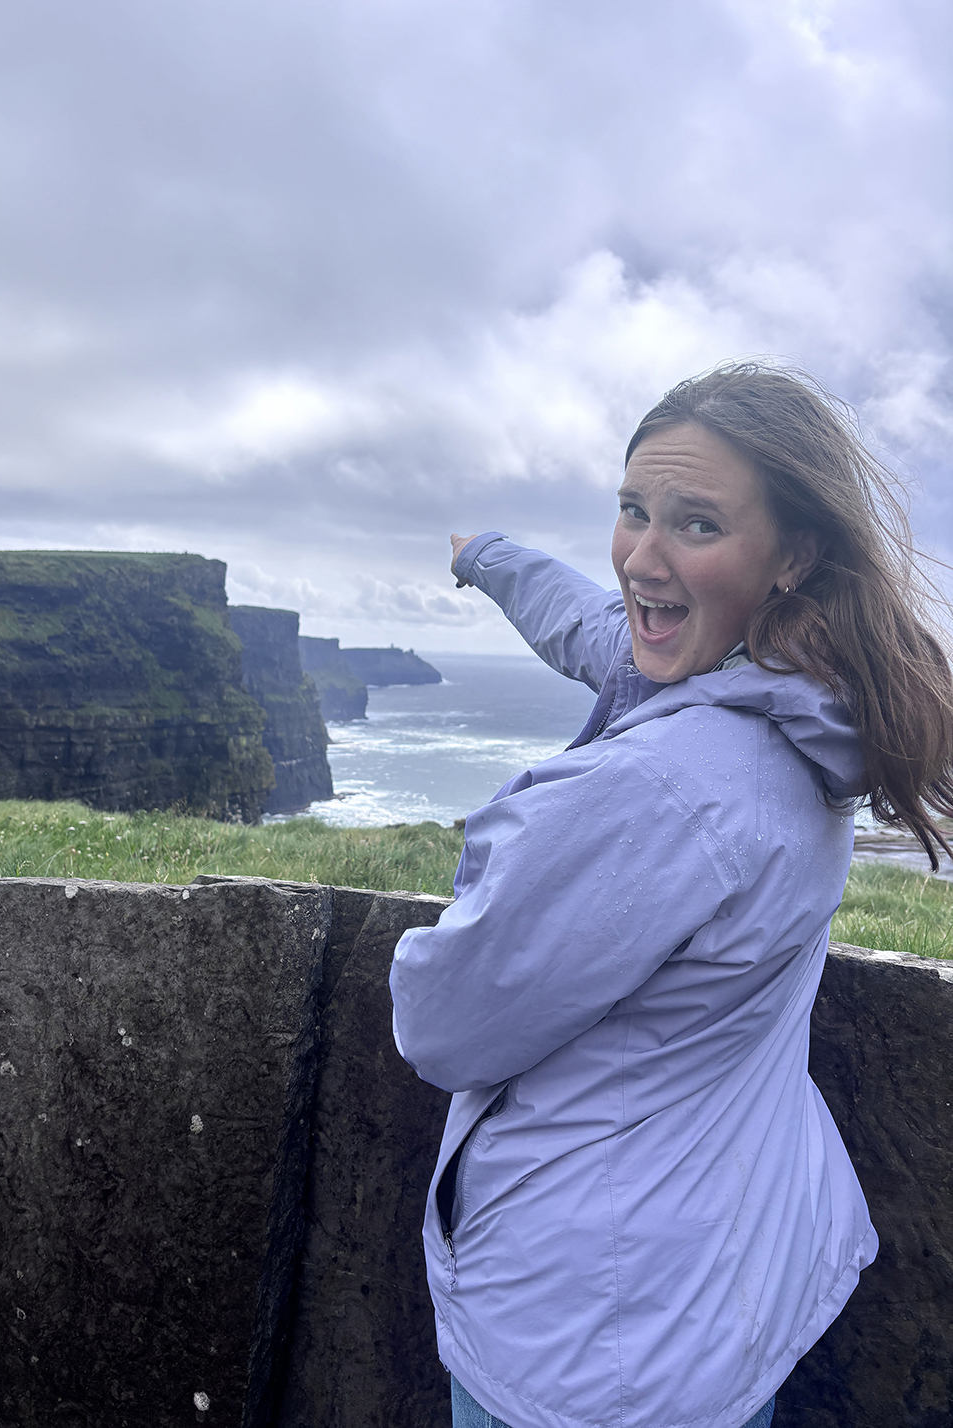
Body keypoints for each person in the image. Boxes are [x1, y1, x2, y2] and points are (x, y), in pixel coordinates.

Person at [389, 362, 953, 1428]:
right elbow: (589, 624)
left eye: (697, 523)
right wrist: (486, 557)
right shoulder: (800, 690)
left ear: (792, 556)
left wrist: (477, 898)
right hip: (721, 1289)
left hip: (587, 1350)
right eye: (632, 510)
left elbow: (443, 1026)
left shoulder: (665, 789)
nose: (643, 557)